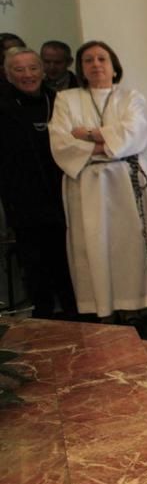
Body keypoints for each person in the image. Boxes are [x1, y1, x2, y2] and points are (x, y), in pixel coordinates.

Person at [48, 40, 147, 322]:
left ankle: (133, 303)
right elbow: (61, 142)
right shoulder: (67, 99)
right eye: (88, 60)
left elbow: (133, 134)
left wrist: (87, 135)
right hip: (87, 185)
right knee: (95, 245)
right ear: (81, 69)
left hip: (127, 180)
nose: (96, 64)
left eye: (102, 59)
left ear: (114, 68)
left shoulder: (130, 97)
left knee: (130, 244)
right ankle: (104, 310)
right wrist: (108, 137)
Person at [0, 48, 76, 318]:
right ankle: (44, 320)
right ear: (8, 75)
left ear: (42, 71)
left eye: (33, 68)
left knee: (69, 263)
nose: (27, 75)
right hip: (24, 202)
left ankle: (77, 316)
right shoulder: (3, 107)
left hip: (64, 196)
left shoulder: (59, 101)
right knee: (35, 267)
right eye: (19, 70)